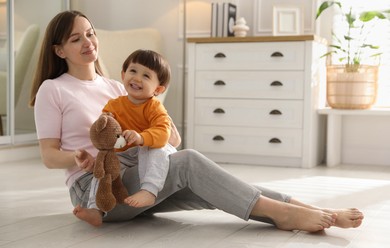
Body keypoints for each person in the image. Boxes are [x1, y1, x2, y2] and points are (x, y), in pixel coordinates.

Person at [31, 10, 364, 230]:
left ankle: (313, 212)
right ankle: (289, 215)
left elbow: (171, 141)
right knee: (189, 163)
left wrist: (159, 129)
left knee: (209, 183)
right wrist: (79, 157)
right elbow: (48, 155)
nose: (88, 43)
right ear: (60, 50)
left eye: (90, 33)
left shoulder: (116, 86)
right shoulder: (54, 90)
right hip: (95, 190)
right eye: (77, 39)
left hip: (135, 177)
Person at [87, 49, 177, 216]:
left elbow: (163, 133)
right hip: (125, 154)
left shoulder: (154, 107)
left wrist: (141, 137)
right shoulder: (113, 105)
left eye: (146, 76)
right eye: (133, 71)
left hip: (150, 152)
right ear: (123, 74)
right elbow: (106, 132)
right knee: (103, 166)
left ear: (158, 89)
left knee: (157, 149)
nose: (136, 78)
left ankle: (149, 190)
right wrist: (104, 123)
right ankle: (94, 207)